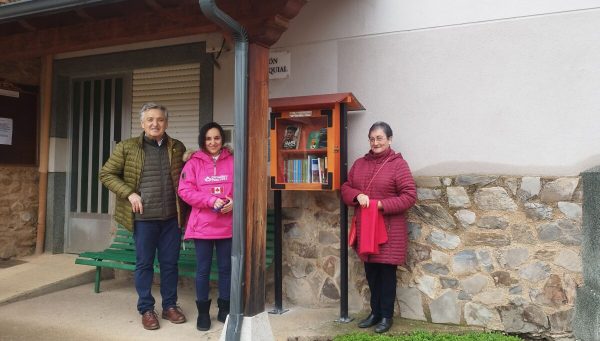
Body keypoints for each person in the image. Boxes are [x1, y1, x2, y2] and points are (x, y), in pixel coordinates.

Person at [99, 103, 187, 330]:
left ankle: (170, 306)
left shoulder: (177, 147)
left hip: (170, 219)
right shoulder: (127, 147)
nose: (155, 124)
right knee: (144, 264)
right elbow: (106, 173)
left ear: (166, 122)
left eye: (159, 119)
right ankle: (146, 309)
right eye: (150, 120)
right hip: (143, 219)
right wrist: (129, 194)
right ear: (142, 123)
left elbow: (186, 177)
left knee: (170, 264)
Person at [341, 121, 417, 333]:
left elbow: (409, 196)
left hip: (389, 231)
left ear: (389, 140)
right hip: (367, 230)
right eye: (372, 139)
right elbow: (346, 188)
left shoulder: (398, 165)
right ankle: (374, 313)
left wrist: (381, 204)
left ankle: (386, 316)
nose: (375, 142)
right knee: (371, 272)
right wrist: (357, 195)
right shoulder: (359, 164)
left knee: (386, 275)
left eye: (380, 138)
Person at [178, 122, 234, 331]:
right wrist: (210, 200)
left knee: (226, 269)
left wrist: (234, 202)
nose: (213, 142)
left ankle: (224, 309)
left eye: (217, 138)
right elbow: (185, 191)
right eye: (209, 138)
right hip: (203, 225)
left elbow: (243, 185)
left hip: (227, 225)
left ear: (223, 139)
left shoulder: (233, 160)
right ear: (203, 140)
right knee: (203, 270)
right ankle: (203, 313)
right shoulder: (193, 163)